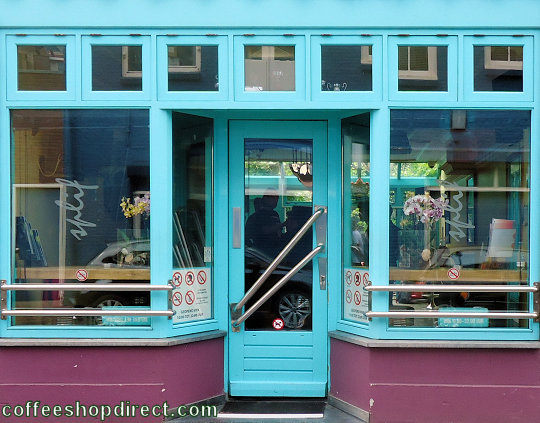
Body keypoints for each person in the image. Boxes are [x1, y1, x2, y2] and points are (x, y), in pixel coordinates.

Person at [245, 189, 284, 257]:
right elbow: (265, 230)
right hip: (261, 251)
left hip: (275, 250)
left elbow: (279, 232)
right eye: (274, 198)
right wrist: (284, 224)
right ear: (266, 199)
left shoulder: (275, 214)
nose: (276, 201)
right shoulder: (257, 216)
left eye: (277, 198)